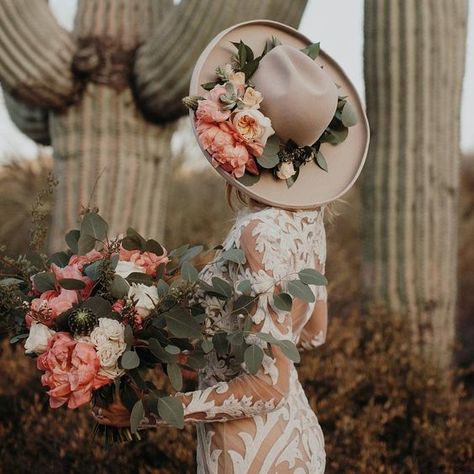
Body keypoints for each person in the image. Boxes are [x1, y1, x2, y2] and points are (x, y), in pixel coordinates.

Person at [91, 19, 369, 474]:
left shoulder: (257, 233)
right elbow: (314, 334)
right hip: (298, 441)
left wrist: (150, 410)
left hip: (249, 456)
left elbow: (267, 386)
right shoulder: (308, 220)